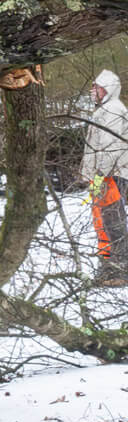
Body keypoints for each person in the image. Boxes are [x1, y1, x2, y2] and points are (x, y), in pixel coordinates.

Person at [82, 69, 128, 285]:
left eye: (97, 87)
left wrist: (100, 177)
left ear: (107, 89)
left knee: (113, 222)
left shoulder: (112, 111)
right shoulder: (105, 110)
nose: (93, 91)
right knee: (102, 221)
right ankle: (108, 267)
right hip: (104, 176)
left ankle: (119, 271)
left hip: (110, 176)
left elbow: (109, 148)